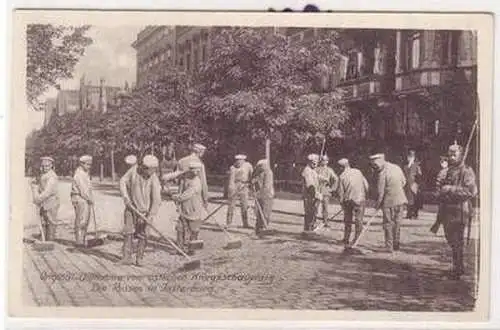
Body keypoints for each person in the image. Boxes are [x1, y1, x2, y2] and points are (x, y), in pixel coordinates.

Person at [438, 144, 477, 280]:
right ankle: (456, 266)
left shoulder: (467, 171)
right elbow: (442, 187)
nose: (451, 157)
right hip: (448, 210)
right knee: (451, 239)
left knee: (457, 240)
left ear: (461, 155)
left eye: (454, 154)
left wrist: (450, 189)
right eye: (449, 154)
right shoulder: (449, 170)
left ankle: (458, 269)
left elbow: (470, 192)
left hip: (460, 210)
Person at [119, 155, 162, 266]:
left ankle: (139, 258)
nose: (148, 172)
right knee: (128, 232)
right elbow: (122, 181)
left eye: (152, 170)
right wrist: (125, 197)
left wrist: (150, 216)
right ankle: (126, 257)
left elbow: (157, 200)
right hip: (131, 207)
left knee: (144, 234)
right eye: (144, 168)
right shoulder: (134, 170)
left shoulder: (154, 179)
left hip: (145, 211)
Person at [163, 162, 205, 254]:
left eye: (197, 170)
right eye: (193, 170)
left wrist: (173, 196)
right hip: (184, 208)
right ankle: (179, 248)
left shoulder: (196, 183)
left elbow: (185, 196)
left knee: (194, 230)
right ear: (190, 170)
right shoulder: (186, 177)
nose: (196, 172)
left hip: (194, 209)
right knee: (180, 228)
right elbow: (171, 179)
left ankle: (192, 249)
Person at [370, 153, 408, 253]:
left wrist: (377, 205)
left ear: (381, 162)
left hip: (389, 202)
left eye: (376, 165)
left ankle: (389, 247)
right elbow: (404, 182)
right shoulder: (397, 167)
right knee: (397, 223)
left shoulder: (382, 174)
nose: (375, 167)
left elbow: (380, 192)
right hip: (401, 200)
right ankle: (396, 245)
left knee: (388, 224)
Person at [337, 158, 369, 250]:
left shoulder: (342, 176)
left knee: (348, 220)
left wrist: (341, 204)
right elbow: (366, 185)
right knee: (359, 220)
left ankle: (346, 239)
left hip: (348, 200)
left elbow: (340, 193)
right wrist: (364, 195)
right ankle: (356, 239)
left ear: (342, 167)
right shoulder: (358, 172)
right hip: (360, 199)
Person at [30, 156, 60, 241]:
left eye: (47, 166)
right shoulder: (42, 175)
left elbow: (47, 192)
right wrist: (34, 186)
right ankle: (43, 238)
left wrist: (38, 199)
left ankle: (50, 239)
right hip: (43, 202)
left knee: (51, 221)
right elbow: (37, 185)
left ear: (51, 166)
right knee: (42, 220)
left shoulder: (52, 176)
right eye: (43, 166)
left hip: (51, 202)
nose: (44, 168)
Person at [176, 143, 208, 209]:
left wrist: (179, 195)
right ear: (200, 152)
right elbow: (203, 182)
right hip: (195, 195)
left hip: (183, 192)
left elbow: (178, 180)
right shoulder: (200, 164)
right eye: (203, 152)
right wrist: (205, 199)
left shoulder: (181, 161)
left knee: (183, 214)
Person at [71, 155, 94, 246]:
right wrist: (90, 199)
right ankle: (79, 242)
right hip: (80, 199)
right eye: (88, 164)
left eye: (90, 164)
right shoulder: (79, 174)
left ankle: (82, 240)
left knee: (84, 220)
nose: (89, 166)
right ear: (82, 164)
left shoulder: (84, 173)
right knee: (81, 221)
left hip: (84, 199)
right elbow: (83, 190)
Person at [226, 154, 254, 228]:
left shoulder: (248, 166)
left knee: (244, 205)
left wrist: (251, 185)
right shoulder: (232, 168)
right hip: (235, 186)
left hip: (244, 186)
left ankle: (245, 223)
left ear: (243, 160)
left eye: (240, 161)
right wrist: (231, 190)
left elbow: (252, 176)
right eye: (237, 160)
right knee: (231, 205)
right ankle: (228, 223)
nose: (238, 162)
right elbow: (231, 180)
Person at [251, 159, 275, 236]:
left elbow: (267, 187)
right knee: (258, 213)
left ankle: (264, 228)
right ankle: (258, 229)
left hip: (267, 196)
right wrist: (253, 182)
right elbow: (255, 181)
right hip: (259, 195)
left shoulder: (269, 173)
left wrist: (259, 194)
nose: (260, 168)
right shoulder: (259, 172)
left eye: (261, 166)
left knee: (265, 213)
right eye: (259, 166)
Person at [316, 155, 339, 227]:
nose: (324, 162)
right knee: (315, 207)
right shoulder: (316, 169)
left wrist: (332, 188)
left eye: (325, 160)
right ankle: (313, 220)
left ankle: (325, 222)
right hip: (317, 190)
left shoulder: (329, 170)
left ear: (327, 161)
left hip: (325, 190)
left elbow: (336, 179)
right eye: (322, 160)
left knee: (325, 207)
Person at [301, 154, 321, 232]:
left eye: (316, 163)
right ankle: (308, 230)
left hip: (312, 195)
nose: (316, 165)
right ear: (309, 162)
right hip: (309, 196)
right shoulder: (307, 171)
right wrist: (316, 195)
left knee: (313, 213)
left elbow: (317, 176)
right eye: (314, 163)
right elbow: (310, 186)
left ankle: (310, 228)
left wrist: (324, 178)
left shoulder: (312, 170)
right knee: (310, 213)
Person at [430, 155, 449, 234]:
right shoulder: (443, 171)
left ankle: (436, 227)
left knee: (443, 212)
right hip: (443, 194)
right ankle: (436, 227)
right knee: (442, 211)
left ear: (447, 163)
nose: (442, 164)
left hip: (445, 194)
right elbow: (438, 183)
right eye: (441, 162)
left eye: (444, 162)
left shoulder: (447, 171)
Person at [403, 150, 423, 219]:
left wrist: (417, 184)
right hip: (407, 185)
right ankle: (409, 214)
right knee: (408, 200)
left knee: (414, 200)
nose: (410, 158)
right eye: (409, 157)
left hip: (414, 185)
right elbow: (404, 175)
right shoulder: (405, 166)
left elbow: (420, 175)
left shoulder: (416, 166)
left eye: (411, 157)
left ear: (414, 158)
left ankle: (414, 214)